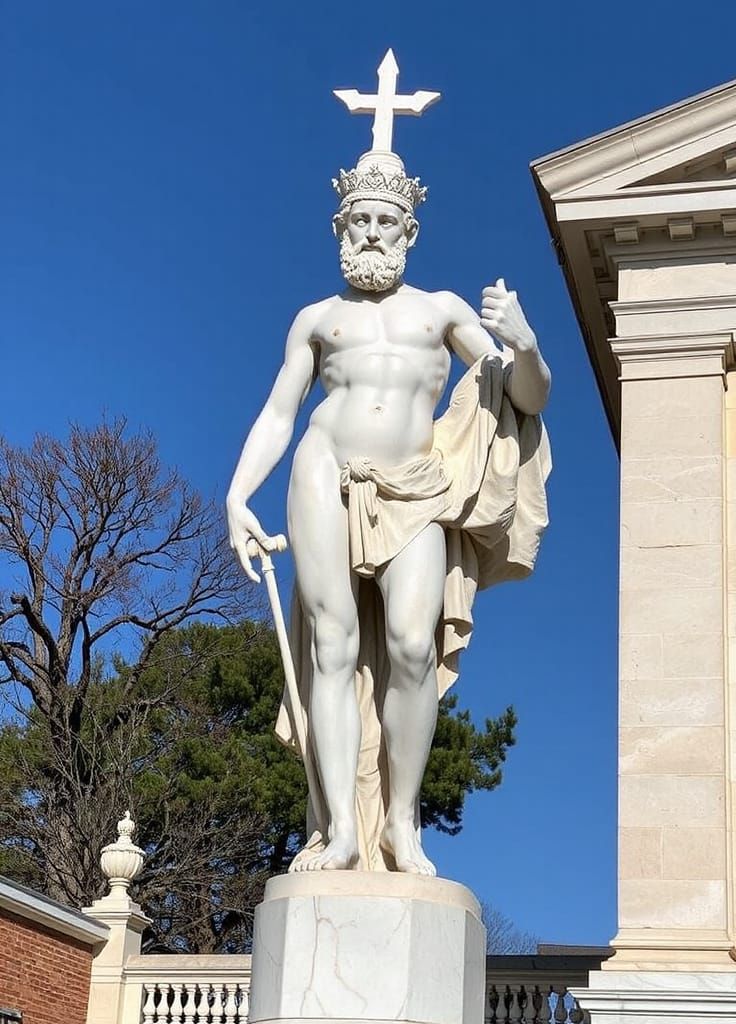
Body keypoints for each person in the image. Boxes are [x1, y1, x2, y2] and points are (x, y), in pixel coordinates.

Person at [226, 151, 551, 875]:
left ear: (410, 232)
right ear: (341, 227)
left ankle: (401, 824)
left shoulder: (441, 312)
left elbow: (526, 397)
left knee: (412, 645)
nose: (373, 233)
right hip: (322, 473)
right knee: (331, 648)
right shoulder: (317, 320)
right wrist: (238, 495)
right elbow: (280, 414)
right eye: (361, 221)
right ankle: (343, 829)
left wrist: (525, 343)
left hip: (415, 485)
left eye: (388, 222)